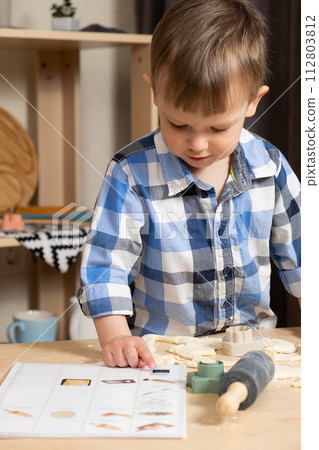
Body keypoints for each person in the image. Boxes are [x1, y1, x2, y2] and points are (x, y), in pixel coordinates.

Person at [77, 0, 301, 369]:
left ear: (253, 102)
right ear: (155, 94)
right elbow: (106, 267)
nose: (197, 144)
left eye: (217, 128)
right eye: (178, 124)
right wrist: (116, 335)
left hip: (253, 353)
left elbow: (304, 257)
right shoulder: (131, 172)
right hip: (159, 357)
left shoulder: (271, 166)